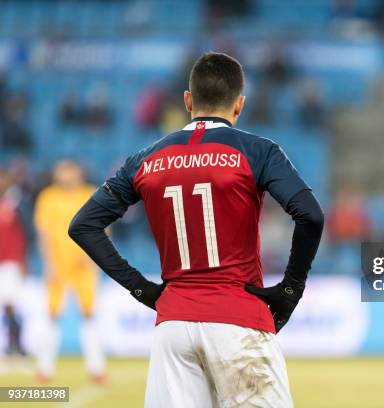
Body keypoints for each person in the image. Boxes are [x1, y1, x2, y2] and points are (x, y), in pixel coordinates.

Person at [69, 52, 324, 407]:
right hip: (239, 319)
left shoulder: (145, 158)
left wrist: (142, 289)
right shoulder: (258, 151)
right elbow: (310, 215)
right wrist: (291, 289)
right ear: (239, 105)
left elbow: (83, 226)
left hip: (172, 325)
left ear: (188, 101)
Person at [34, 160, 106, 382]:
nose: (66, 176)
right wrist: (49, 264)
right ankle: (44, 369)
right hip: (59, 264)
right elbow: (44, 234)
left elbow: (104, 225)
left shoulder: (89, 194)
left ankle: (96, 369)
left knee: (89, 314)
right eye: (62, 172)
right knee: (53, 314)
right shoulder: (48, 197)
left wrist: (94, 255)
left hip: (84, 264)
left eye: (70, 172)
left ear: (79, 173)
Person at [0, 168, 27, 356]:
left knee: (9, 305)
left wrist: (22, 260)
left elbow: (23, 235)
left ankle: (15, 346)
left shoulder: (13, 206)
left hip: (9, 262)